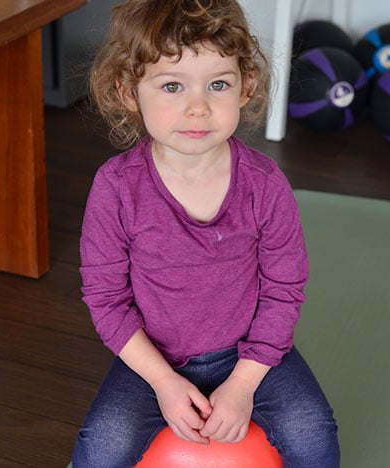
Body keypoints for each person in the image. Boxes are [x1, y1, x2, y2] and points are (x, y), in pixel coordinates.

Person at [72, 1, 340, 466]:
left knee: (313, 431)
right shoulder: (116, 188)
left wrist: (243, 383)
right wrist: (163, 382)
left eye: (218, 84)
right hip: (154, 359)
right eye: (172, 86)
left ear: (245, 87)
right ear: (129, 92)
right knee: (101, 444)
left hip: (252, 353)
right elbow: (106, 298)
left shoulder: (265, 184)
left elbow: (283, 290)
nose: (198, 107)